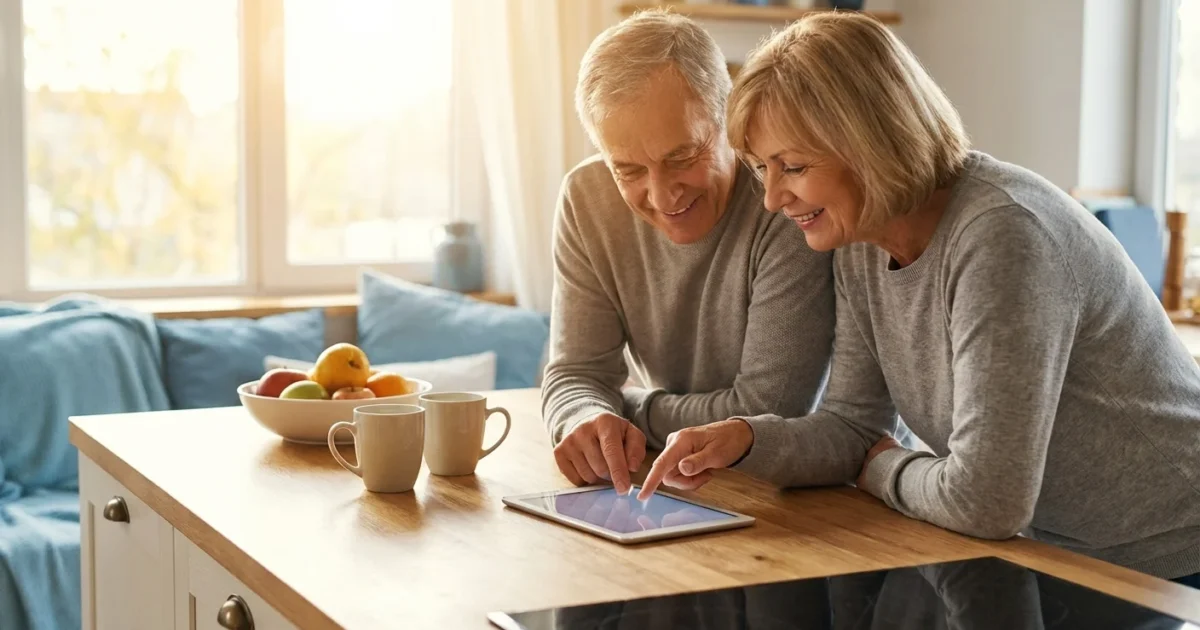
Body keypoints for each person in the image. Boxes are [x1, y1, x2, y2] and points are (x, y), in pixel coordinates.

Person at [639, 12, 1200, 586]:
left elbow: (985, 501)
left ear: (871, 142)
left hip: (1173, 563)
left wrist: (883, 468)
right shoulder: (861, 238)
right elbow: (854, 429)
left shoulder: (1003, 237)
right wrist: (745, 438)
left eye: (795, 167)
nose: (773, 198)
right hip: (1062, 557)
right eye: (763, 170)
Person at [541, 10, 836, 496]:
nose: (661, 196)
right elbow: (578, 372)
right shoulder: (586, 198)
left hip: (813, 494)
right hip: (678, 483)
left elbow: (769, 411)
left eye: (681, 158)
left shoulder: (784, 199)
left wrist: (633, 409)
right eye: (629, 170)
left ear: (730, 117)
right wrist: (587, 416)